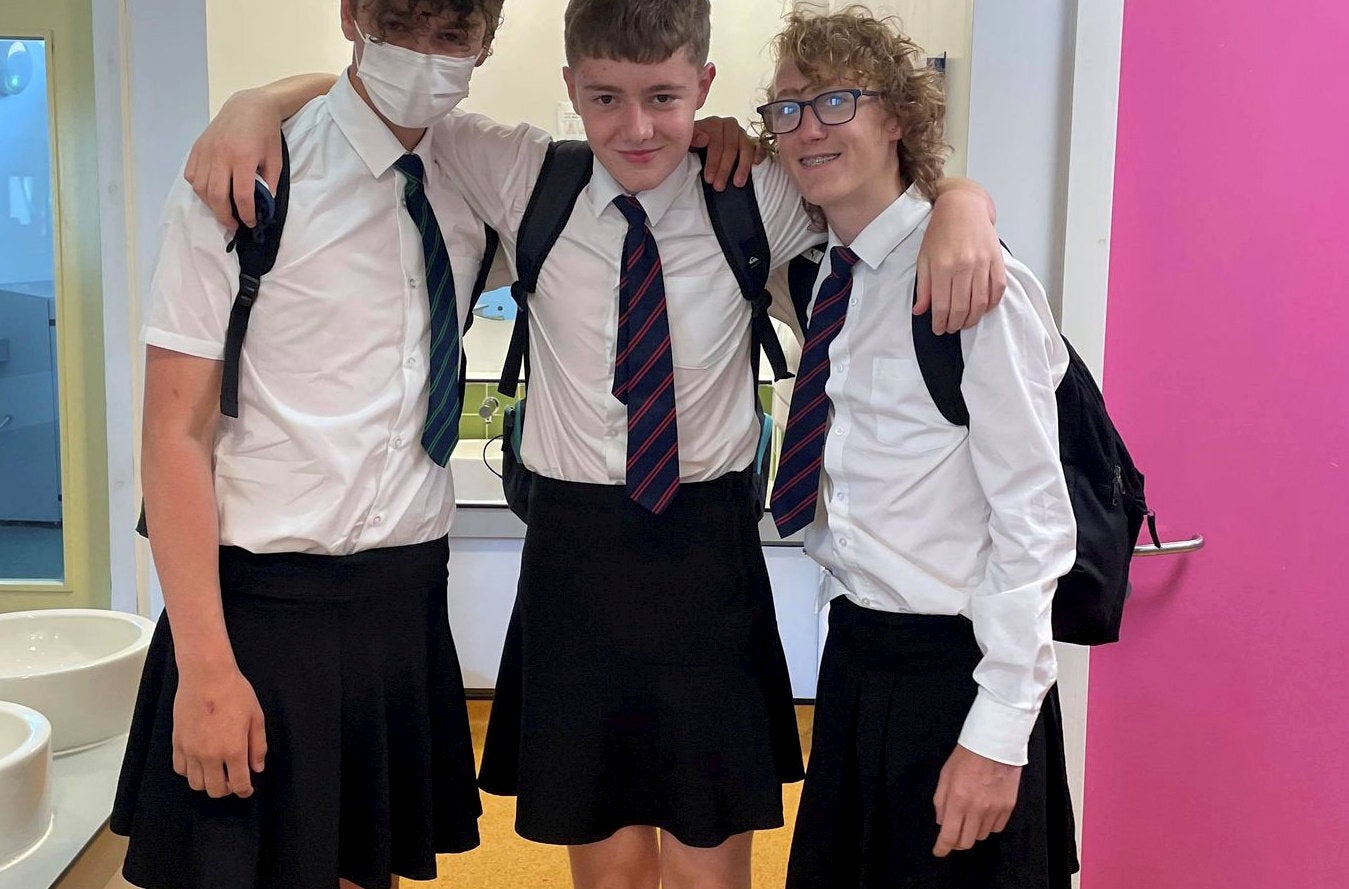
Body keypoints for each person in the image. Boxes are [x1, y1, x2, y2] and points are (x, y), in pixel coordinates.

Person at [181, 2, 1009, 886]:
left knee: (706, 871)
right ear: (570, 88)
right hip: (576, 562)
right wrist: (253, 101)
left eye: (663, 96)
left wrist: (964, 199)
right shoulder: (522, 174)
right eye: (606, 98)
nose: (638, 127)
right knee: (608, 875)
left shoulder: (758, 193)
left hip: (707, 561)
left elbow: (877, 187)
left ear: (704, 85)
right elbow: (371, 103)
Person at [109, 2, 508, 887]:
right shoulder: (245, 179)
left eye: (452, 38)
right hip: (260, 609)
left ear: (487, 41)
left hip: (403, 597)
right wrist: (206, 670)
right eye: (399, 25)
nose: (423, 57)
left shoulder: (473, 175)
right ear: (352, 14)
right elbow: (171, 432)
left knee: (370, 870)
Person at [761, 7, 1080, 887]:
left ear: (896, 116)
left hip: (960, 673)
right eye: (785, 107)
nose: (806, 127)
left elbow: (1034, 518)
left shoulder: (976, 283)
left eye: (834, 99)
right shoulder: (821, 275)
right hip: (859, 657)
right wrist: (959, 195)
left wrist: (996, 734)